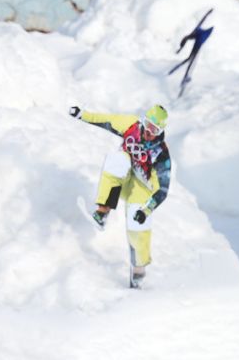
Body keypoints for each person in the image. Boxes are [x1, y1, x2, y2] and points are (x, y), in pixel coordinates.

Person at [70, 104, 172, 288]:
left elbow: (163, 190)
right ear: (143, 120)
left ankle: (139, 268)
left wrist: (146, 210)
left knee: (137, 229)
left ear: (161, 131)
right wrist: (81, 115)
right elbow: (106, 120)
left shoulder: (161, 155)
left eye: (155, 129)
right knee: (117, 161)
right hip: (124, 178)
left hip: (142, 190)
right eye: (148, 125)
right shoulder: (131, 126)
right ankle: (102, 212)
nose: (149, 132)